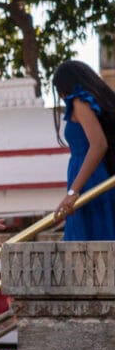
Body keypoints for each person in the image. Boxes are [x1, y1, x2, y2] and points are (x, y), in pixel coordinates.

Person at [51, 60, 115, 240]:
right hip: (86, 178)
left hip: (90, 180)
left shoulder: (79, 101)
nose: (61, 95)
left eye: (59, 89)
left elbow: (99, 144)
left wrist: (73, 192)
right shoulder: (86, 101)